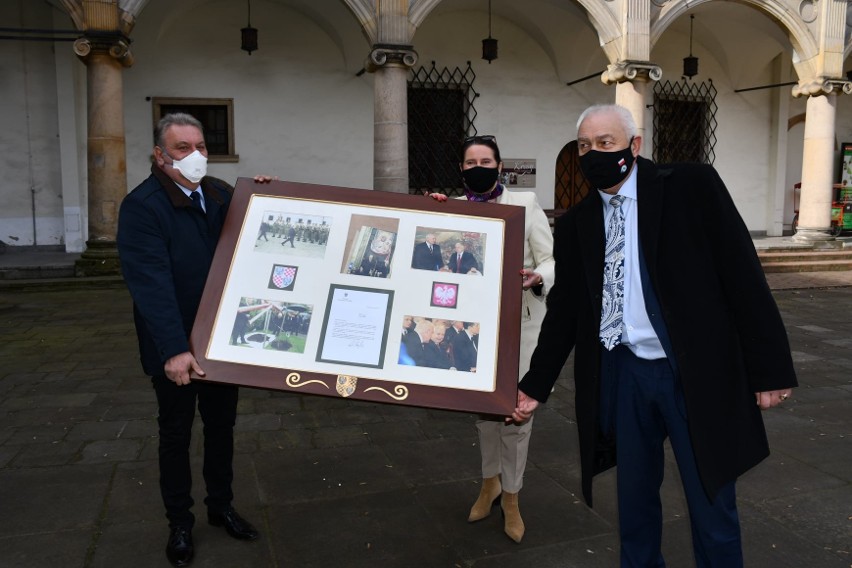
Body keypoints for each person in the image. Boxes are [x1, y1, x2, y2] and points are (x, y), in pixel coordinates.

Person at [512, 104, 797, 566]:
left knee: (712, 500)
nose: (594, 154)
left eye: (605, 143)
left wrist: (769, 370)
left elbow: (742, 273)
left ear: (634, 145)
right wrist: (534, 386)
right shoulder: (580, 221)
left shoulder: (690, 186)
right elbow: (565, 314)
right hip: (624, 374)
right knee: (635, 501)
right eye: (584, 146)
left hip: (694, 373)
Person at [117, 113, 260, 567]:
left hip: (219, 338)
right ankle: (180, 521)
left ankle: (221, 506)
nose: (194, 155)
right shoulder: (142, 206)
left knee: (222, 427)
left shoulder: (216, 192)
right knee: (176, 434)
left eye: (200, 145)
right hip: (175, 343)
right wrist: (174, 350)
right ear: (160, 156)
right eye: (182, 148)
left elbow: (250, 230)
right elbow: (150, 284)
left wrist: (266, 195)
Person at [432, 135, 555, 542]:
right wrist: (427, 213)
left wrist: (540, 276)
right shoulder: (453, 208)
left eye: (486, 160)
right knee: (484, 409)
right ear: (462, 169)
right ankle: (490, 483)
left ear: (500, 166)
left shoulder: (526, 203)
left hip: (520, 323)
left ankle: (513, 497)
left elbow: (549, 258)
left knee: (517, 410)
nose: (479, 166)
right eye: (471, 162)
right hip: (475, 324)